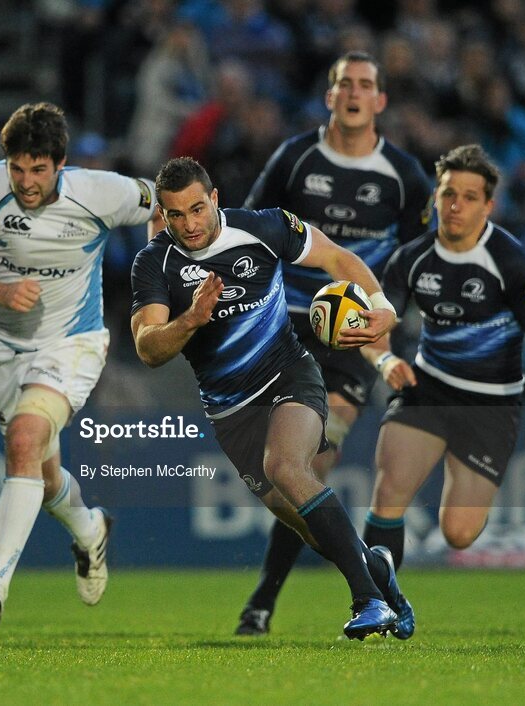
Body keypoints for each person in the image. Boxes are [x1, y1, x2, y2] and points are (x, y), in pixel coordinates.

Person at [130, 156, 413, 640]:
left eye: (197, 209)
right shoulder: (155, 262)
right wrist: (189, 322)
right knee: (309, 529)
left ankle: (367, 601)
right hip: (230, 411)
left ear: (214, 198)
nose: (189, 224)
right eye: (175, 215)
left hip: (289, 375)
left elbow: (337, 259)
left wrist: (382, 306)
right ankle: (380, 575)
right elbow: (147, 346)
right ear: (163, 213)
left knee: (287, 464)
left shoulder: (264, 227)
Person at [0, 102, 163, 633]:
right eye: (17, 168)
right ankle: (89, 529)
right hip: (7, 351)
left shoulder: (101, 191)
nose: (27, 182)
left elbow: (163, 201)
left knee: (24, 438)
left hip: (74, 343)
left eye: (38, 169)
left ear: (60, 164)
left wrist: (156, 273)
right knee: (42, 469)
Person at [235, 50, 432, 636]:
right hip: (282, 327)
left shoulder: (402, 173)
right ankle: (367, 567)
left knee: (308, 463)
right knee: (277, 484)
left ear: (380, 100)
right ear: (330, 96)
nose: (353, 91)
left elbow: (418, 257)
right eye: (344, 82)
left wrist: (384, 313)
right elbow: (249, 226)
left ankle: (270, 602)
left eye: (365, 84)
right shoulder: (295, 158)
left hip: (350, 341)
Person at [360, 144, 525, 568]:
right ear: (435, 197)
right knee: (389, 490)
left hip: (491, 403)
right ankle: (374, 607)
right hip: (428, 387)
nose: (455, 206)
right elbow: (374, 323)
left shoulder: (513, 262)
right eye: (448, 193)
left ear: (488, 206)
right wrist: (385, 361)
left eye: (469, 197)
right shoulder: (411, 259)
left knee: (459, 532)